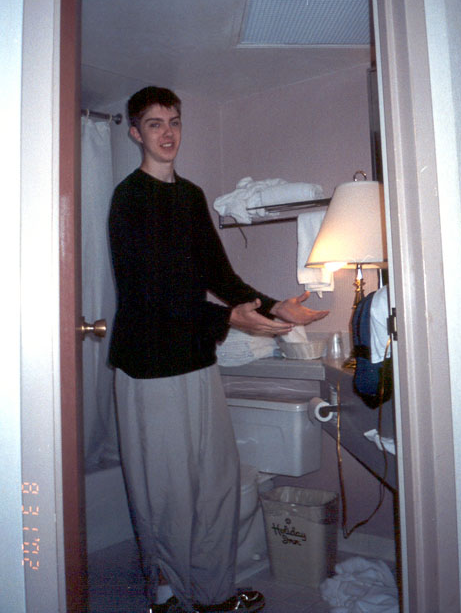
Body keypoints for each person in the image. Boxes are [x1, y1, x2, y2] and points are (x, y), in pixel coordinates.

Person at [108, 86, 328, 613]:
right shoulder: (130, 197)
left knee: (216, 481)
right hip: (148, 366)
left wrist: (275, 307)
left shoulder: (190, 195)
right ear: (136, 132)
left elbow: (218, 274)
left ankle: (210, 594)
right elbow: (148, 292)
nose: (167, 133)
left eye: (174, 122)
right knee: (167, 490)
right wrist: (227, 317)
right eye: (155, 124)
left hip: (195, 358)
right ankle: (167, 591)